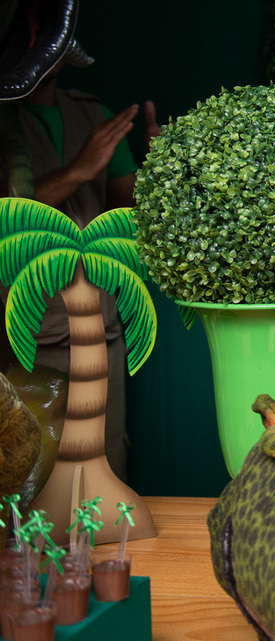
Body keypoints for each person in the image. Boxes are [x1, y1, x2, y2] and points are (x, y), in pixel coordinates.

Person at [1, 52, 160, 480]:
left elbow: (127, 214)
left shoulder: (93, 114)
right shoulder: (4, 118)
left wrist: (161, 174)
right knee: (30, 474)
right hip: (27, 339)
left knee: (106, 467)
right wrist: (77, 171)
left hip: (101, 333)